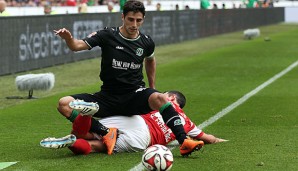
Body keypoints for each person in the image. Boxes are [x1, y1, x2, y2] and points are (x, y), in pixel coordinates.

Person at [54, 0, 202, 156]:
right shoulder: (107, 35)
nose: (134, 24)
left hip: (133, 96)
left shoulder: (146, 42)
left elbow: (150, 60)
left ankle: (184, 141)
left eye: (139, 20)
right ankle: (105, 132)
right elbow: (76, 46)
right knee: (64, 104)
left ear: (143, 20)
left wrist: (152, 87)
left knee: (160, 98)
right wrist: (68, 39)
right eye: (131, 19)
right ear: (123, 17)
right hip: (108, 97)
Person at [41, 91, 227, 155]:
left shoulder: (159, 103)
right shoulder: (188, 124)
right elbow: (208, 138)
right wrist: (221, 141)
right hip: (143, 141)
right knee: (95, 146)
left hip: (134, 122)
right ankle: (73, 143)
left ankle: (86, 116)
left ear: (171, 97)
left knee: (90, 132)